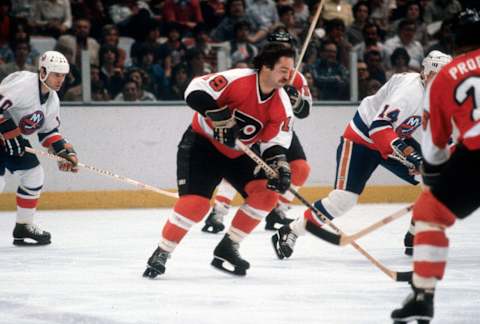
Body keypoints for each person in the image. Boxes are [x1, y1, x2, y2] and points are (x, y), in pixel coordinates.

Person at [271, 50, 452, 261]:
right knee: (343, 200)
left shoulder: (439, 97)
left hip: (393, 138)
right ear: (426, 72)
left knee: (433, 183)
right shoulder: (410, 91)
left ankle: (414, 235)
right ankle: (291, 230)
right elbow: (378, 127)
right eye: (436, 75)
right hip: (362, 139)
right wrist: (414, 159)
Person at [143, 42, 297, 279]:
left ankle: (228, 246)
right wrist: (217, 114)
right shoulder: (238, 79)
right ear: (266, 66)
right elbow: (194, 90)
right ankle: (163, 251)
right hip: (202, 145)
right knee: (196, 205)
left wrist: (280, 167)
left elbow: (273, 143)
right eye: (283, 70)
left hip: (240, 153)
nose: (288, 76)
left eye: (291, 71)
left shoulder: (282, 104)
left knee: (267, 194)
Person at [391, 9, 480, 323]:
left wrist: (434, 182)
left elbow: (434, 148)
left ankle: (423, 296)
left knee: (429, 213)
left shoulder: (447, 76)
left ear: (455, 41)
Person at [201, 31, 312, 233]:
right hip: (253, 125)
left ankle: (277, 210)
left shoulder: (296, 78)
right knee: (238, 164)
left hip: (278, 129)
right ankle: (219, 210)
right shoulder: (254, 72)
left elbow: (305, 111)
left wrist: (295, 100)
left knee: (301, 169)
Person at [0, 50, 79, 246]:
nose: (60, 80)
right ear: (43, 72)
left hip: (11, 142)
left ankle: (24, 225)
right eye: (56, 75)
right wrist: (8, 131)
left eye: (63, 76)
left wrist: (64, 151)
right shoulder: (23, 85)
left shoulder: (52, 100)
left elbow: (48, 131)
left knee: (34, 174)